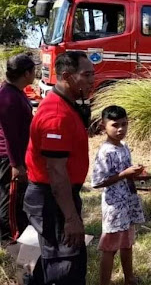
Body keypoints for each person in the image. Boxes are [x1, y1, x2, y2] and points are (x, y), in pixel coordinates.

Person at [23, 51, 94, 284]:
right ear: (66, 76)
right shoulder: (56, 114)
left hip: (57, 196)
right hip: (52, 199)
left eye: (92, 74)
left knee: (48, 261)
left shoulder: (66, 104)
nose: (91, 80)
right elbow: (56, 171)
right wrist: (71, 218)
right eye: (86, 74)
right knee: (65, 266)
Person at [92, 106, 145, 285]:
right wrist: (124, 174)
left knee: (127, 243)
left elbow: (126, 173)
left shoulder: (124, 147)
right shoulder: (105, 152)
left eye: (124, 124)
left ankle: (129, 278)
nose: (120, 129)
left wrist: (135, 173)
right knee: (110, 247)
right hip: (114, 205)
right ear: (103, 126)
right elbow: (98, 181)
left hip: (127, 202)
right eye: (115, 125)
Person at [0, 54, 35, 243]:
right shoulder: (8, 97)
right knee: (10, 199)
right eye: (33, 70)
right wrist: (16, 164)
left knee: (17, 198)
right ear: (27, 73)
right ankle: (9, 237)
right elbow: (10, 135)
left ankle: (17, 231)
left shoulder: (16, 91)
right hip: (9, 158)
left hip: (18, 156)